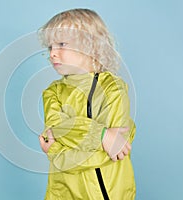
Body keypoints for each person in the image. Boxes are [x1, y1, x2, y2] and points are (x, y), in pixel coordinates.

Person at [38, 8, 136, 200]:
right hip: (63, 192)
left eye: (61, 44)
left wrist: (57, 154)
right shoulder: (52, 93)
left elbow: (115, 151)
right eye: (50, 47)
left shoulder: (113, 89)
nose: (53, 54)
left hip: (109, 192)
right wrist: (101, 135)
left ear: (91, 45)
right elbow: (56, 130)